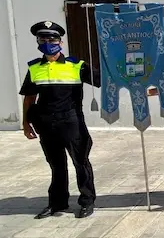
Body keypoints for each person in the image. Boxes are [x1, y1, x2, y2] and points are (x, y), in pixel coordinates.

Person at [19, 21, 100, 219]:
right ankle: (57, 203)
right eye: (43, 39)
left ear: (60, 42)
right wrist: (25, 123)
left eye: (52, 39)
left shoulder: (77, 66)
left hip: (71, 122)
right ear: (38, 42)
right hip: (46, 124)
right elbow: (29, 98)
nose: (48, 43)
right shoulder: (34, 68)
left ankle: (87, 201)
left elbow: (102, 80)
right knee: (56, 165)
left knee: (81, 163)